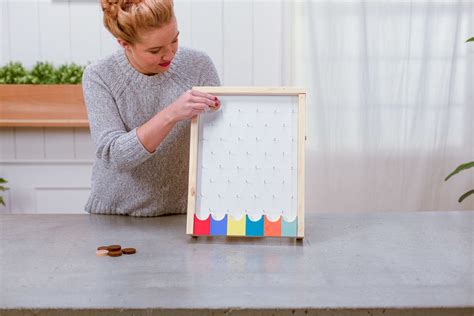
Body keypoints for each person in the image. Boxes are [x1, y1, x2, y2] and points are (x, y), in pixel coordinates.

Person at [82, 0, 220, 217]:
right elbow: (114, 155)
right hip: (116, 214)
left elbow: (217, 140)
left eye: (174, 40)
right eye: (155, 50)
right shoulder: (99, 76)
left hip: (184, 213)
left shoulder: (199, 65)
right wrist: (171, 114)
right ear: (124, 43)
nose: (169, 55)